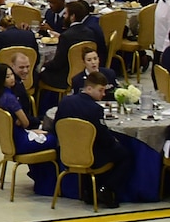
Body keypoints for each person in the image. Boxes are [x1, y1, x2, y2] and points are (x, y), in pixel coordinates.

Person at [48, 68, 126, 207]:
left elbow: (56, 128)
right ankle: (106, 189)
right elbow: (104, 138)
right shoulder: (95, 109)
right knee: (124, 154)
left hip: (66, 154)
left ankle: (89, 191)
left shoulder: (65, 102)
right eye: (101, 90)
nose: (104, 94)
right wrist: (115, 142)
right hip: (90, 157)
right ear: (89, 89)